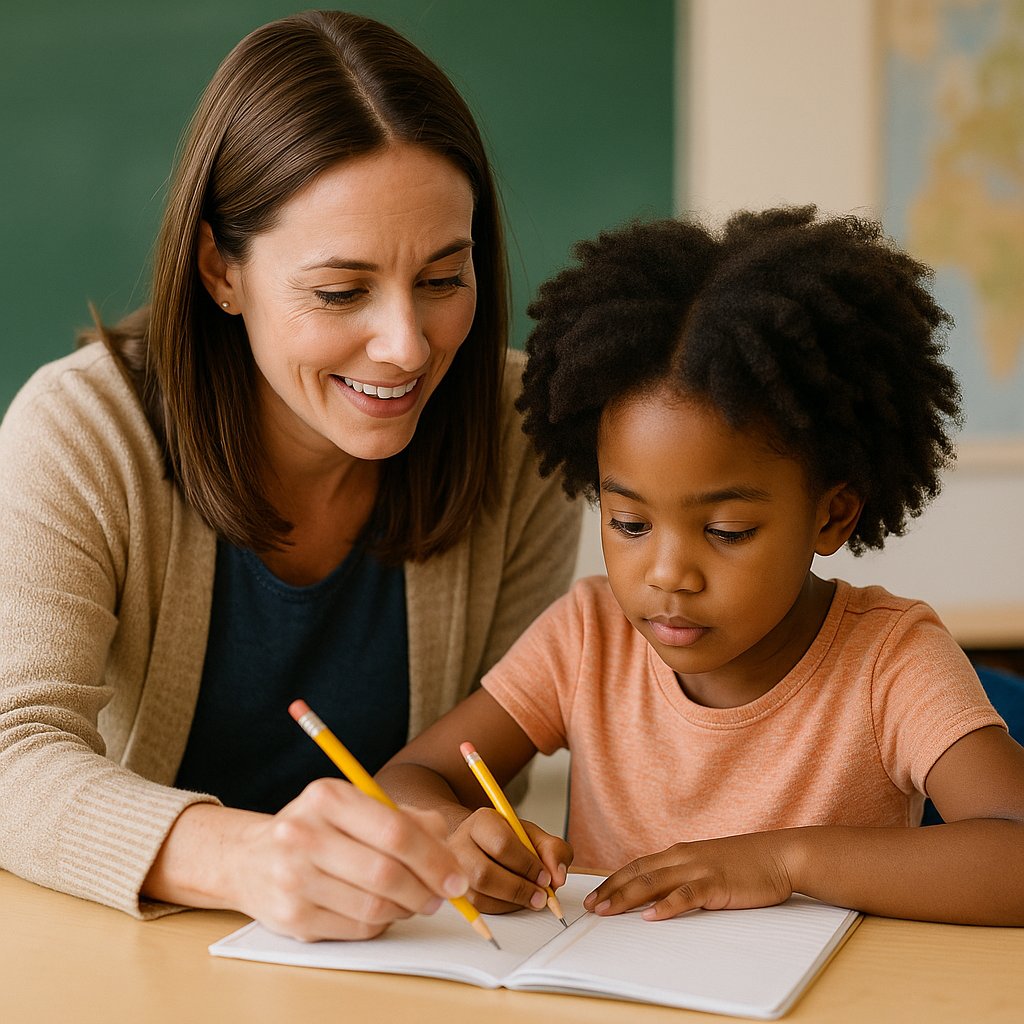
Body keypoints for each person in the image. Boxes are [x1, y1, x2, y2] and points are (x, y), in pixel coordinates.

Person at [0, 10, 579, 941]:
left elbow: (479, 764)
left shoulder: (520, 435)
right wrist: (247, 858)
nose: (405, 347)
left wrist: (452, 829)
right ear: (220, 270)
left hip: (397, 968)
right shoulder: (82, 432)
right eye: (341, 291)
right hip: (129, 962)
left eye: (443, 278)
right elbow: (10, 754)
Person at [378, 207, 1024, 926]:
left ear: (831, 515)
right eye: (629, 523)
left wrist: (783, 860)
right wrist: (459, 835)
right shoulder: (588, 637)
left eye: (726, 530)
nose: (667, 574)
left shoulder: (891, 661)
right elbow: (412, 777)